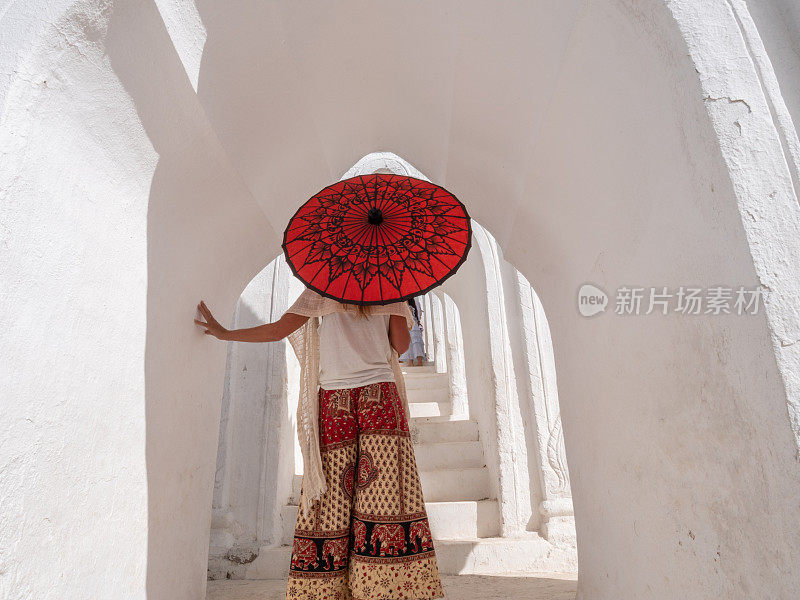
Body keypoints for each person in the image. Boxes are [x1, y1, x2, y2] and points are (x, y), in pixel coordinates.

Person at [195, 288, 444, 600]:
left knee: (331, 499)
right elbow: (402, 346)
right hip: (380, 399)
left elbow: (277, 330)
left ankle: (325, 590)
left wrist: (225, 333)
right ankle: (386, 589)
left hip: (334, 401)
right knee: (385, 497)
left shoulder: (321, 290)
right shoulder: (387, 289)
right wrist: (397, 308)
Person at [400, 297, 426, 367]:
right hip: (410, 325)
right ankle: (412, 361)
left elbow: (411, 315)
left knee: (415, 342)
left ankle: (418, 361)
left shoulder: (410, 306)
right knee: (411, 343)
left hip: (412, 325)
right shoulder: (413, 304)